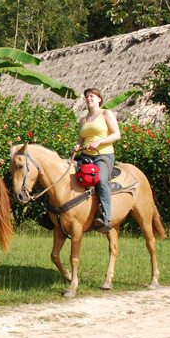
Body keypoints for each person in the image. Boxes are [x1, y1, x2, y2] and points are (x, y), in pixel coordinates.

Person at [73, 87, 121, 233]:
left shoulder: (106, 113)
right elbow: (81, 139)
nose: (89, 98)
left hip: (103, 155)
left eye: (92, 96)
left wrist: (99, 142)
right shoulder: (83, 120)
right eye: (87, 96)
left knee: (100, 179)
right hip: (86, 156)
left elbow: (117, 135)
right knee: (65, 173)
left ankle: (106, 217)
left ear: (99, 99)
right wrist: (78, 145)